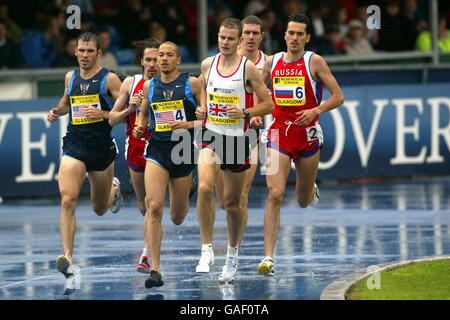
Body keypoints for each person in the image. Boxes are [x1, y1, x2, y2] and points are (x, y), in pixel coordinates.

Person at [257, 13, 344, 276]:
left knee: (303, 200)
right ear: (284, 35)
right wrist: (255, 113)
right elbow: (257, 93)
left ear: (307, 37)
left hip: (307, 136)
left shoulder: (314, 61)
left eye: (299, 34)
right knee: (275, 194)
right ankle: (268, 258)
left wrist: (316, 110)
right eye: (290, 33)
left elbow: (338, 96)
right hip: (278, 135)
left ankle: (310, 188)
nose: (294, 38)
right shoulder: (271, 63)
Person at [195, 18, 273, 283]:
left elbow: (269, 104)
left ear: (239, 40)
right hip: (211, 135)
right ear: (217, 37)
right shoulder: (208, 64)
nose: (225, 42)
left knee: (232, 204)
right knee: (205, 188)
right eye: (221, 37)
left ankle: (232, 252)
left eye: (230, 38)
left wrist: (246, 112)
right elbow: (202, 87)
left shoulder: (248, 69)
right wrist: (202, 107)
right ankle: (206, 250)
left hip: (238, 141)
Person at [46, 32, 123, 278]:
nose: (85, 55)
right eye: (82, 51)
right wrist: (57, 111)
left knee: (99, 208)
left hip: (101, 149)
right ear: (75, 51)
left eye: (90, 51)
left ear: (99, 53)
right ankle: (67, 256)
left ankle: (113, 188)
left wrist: (100, 115)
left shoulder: (110, 80)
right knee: (68, 200)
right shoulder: (71, 76)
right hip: (75, 145)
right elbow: (67, 101)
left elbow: (125, 113)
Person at [133, 41, 202, 288]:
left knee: (177, 216)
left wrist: (188, 125)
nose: (163, 59)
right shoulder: (149, 86)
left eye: (169, 55)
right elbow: (143, 117)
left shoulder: (191, 84)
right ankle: (156, 269)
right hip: (158, 151)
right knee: (154, 207)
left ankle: (189, 187)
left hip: (182, 153)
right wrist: (140, 127)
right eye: (160, 55)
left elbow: (208, 119)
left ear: (178, 60)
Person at [108, 37, 160, 274]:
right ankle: (150, 242)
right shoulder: (131, 82)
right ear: (141, 61)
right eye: (148, 59)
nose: (152, 63)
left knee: (153, 203)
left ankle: (146, 254)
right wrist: (131, 108)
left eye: (156, 59)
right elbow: (111, 118)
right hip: (136, 146)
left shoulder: (171, 82)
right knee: (143, 204)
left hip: (162, 146)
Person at [215, 14, 268, 241]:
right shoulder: (224, 62)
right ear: (239, 36)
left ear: (261, 36)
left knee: (243, 193)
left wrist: (253, 113)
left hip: (257, 134)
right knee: (225, 199)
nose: (250, 37)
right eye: (246, 32)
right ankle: (233, 234)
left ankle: (235, 246)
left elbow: (274, 101)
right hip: (224, 132)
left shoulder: (270, 62)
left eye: (255, 33)